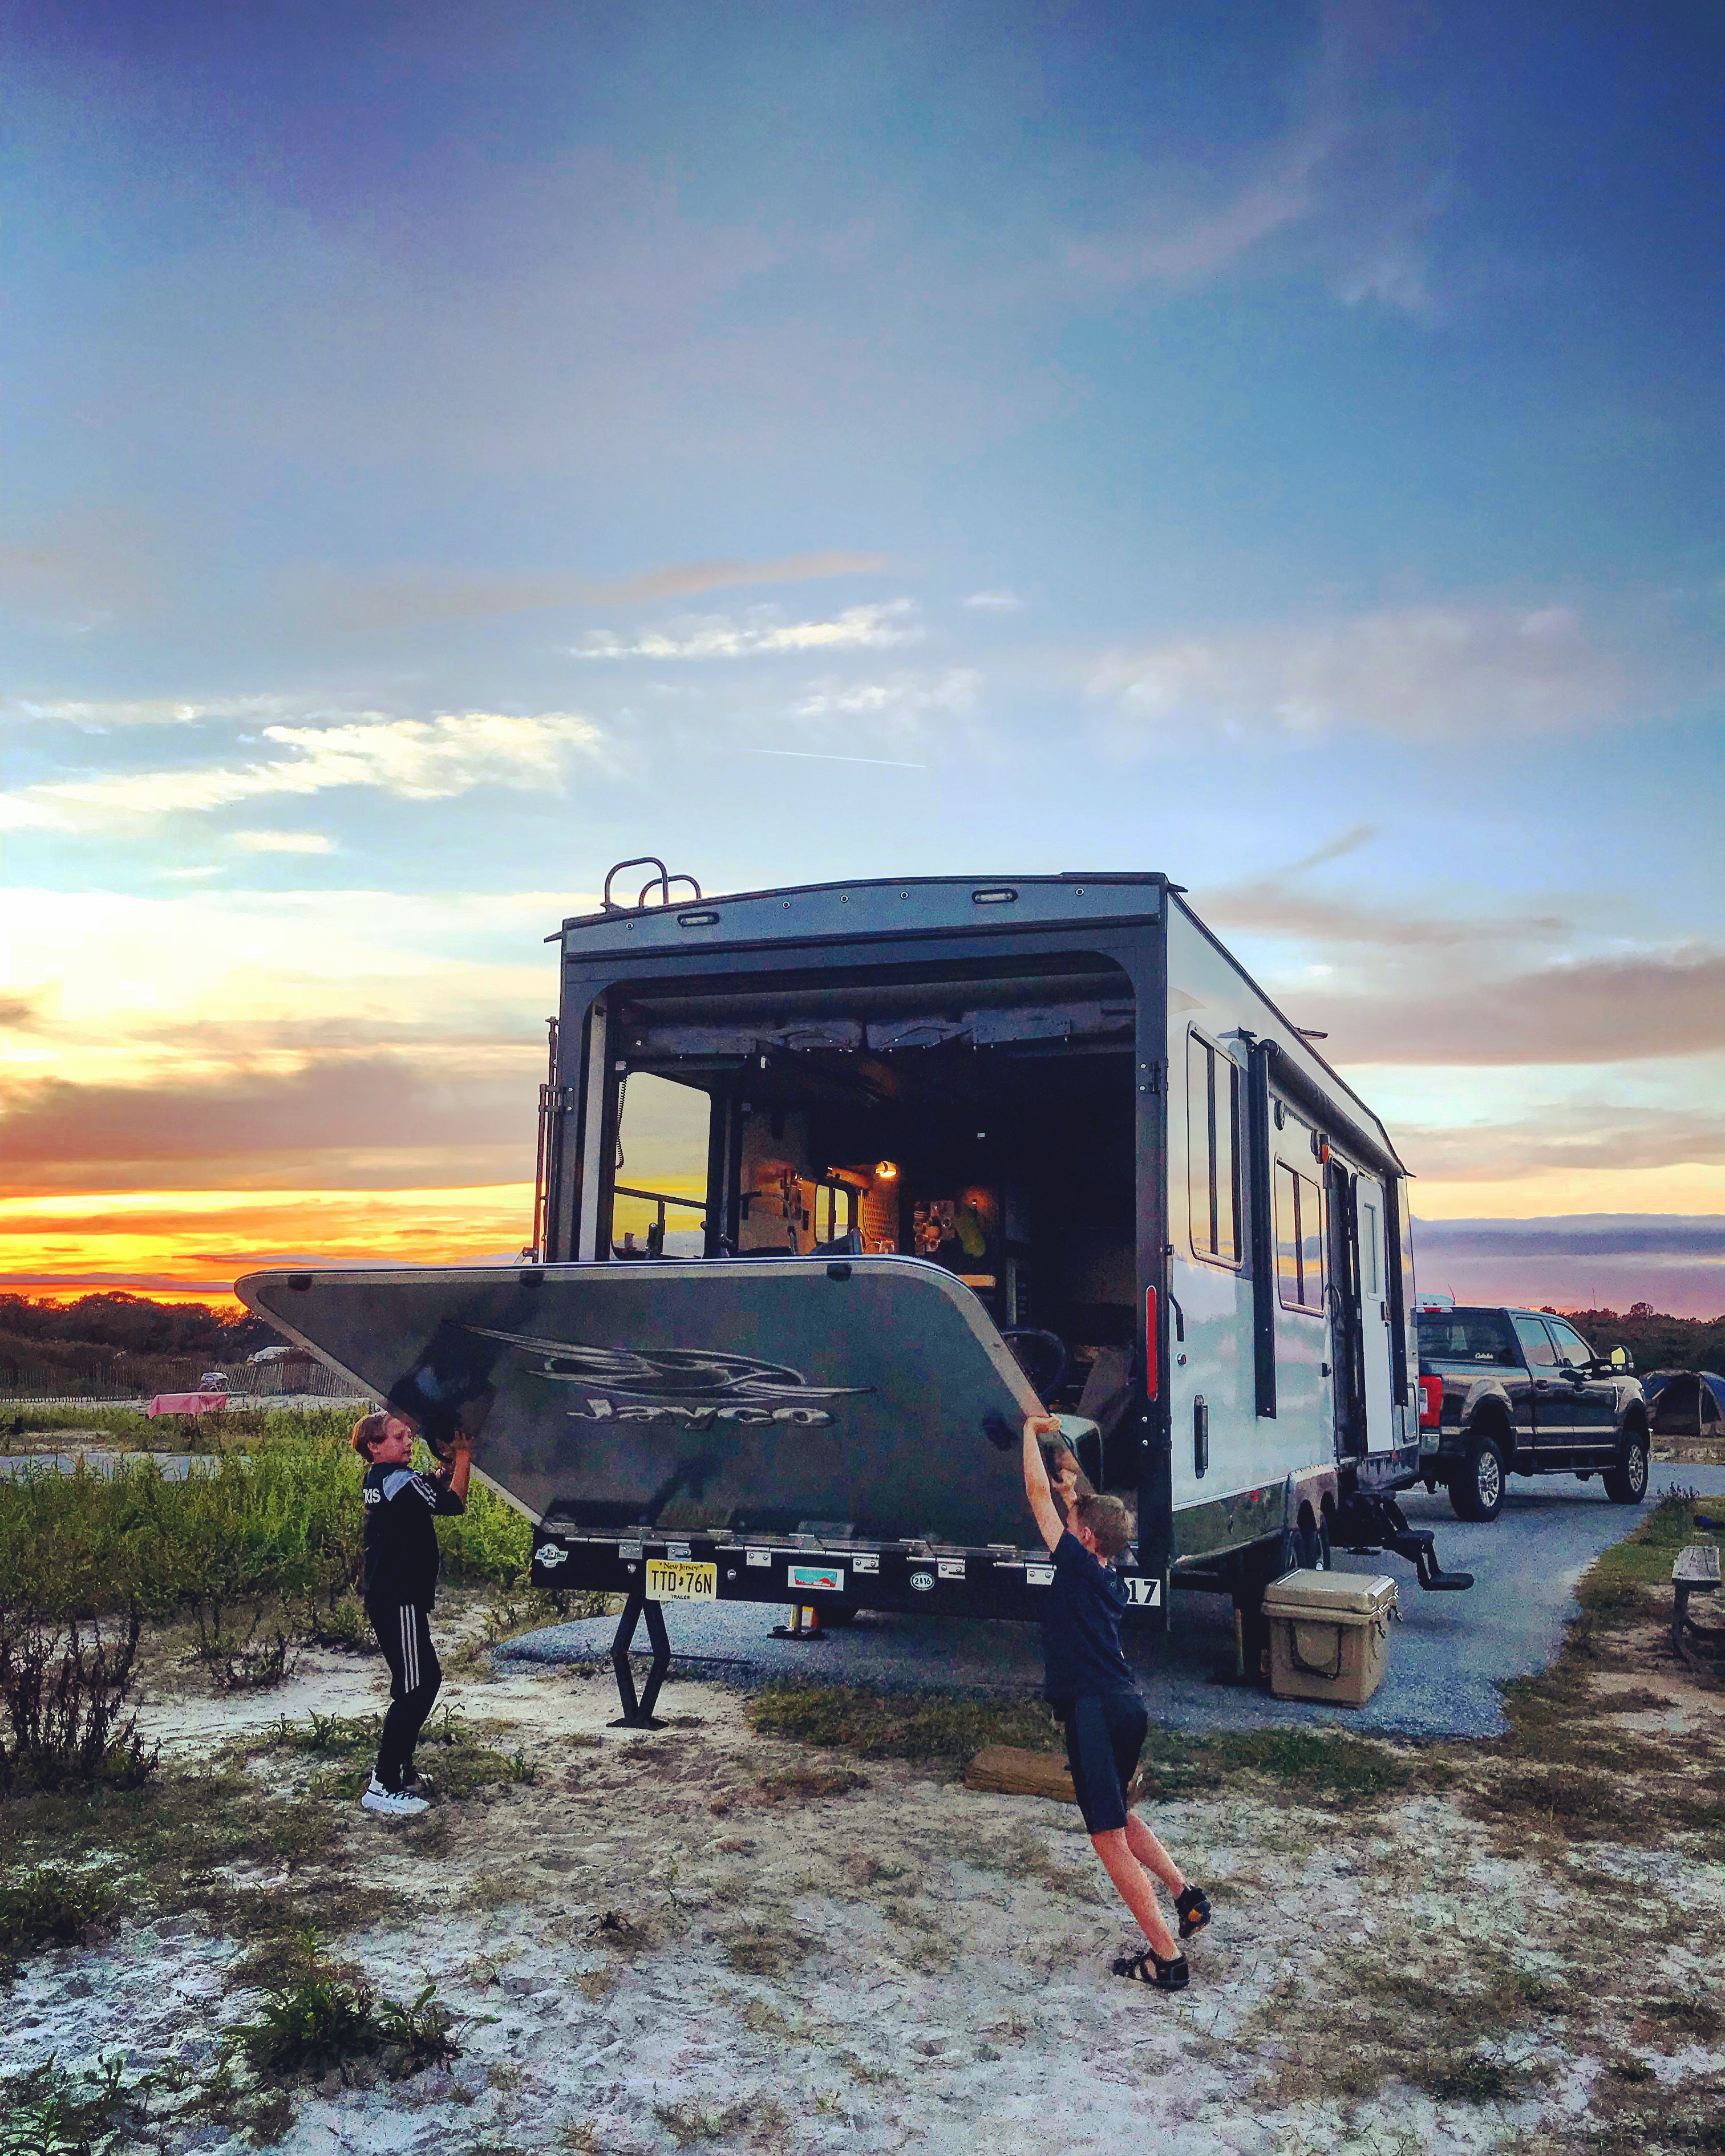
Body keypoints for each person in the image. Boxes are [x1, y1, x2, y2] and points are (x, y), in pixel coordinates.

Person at [1023, 1413, 1210, 1989]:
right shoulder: (1108, 1573)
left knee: (1107, 1837)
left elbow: (1036, 1496)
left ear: (1083, 1539)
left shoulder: (1078, 1564)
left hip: (1095, 1712)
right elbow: (1082, 1515)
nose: (1065, 1523)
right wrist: (1073, 1492)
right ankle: (1187, 1896)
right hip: (1125, 1707)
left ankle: (1167, 1960)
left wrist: (1030, 1433)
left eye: (1072, 1522)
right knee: (1121, 1818)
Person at [351, 1409, 472, 1818]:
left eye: (408, 1437)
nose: (407, 1443)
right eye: (398, 1437)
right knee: (416, 1686)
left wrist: (443, 1469)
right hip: (397, 1597)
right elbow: (452, 1504)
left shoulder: (383, 1479)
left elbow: (425, 1487)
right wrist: (463, 1456)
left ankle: (399, 1770)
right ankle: (383, 1784)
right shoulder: (396, 1480)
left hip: (394, 1596)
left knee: (421, 1681)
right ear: (374, 1446)